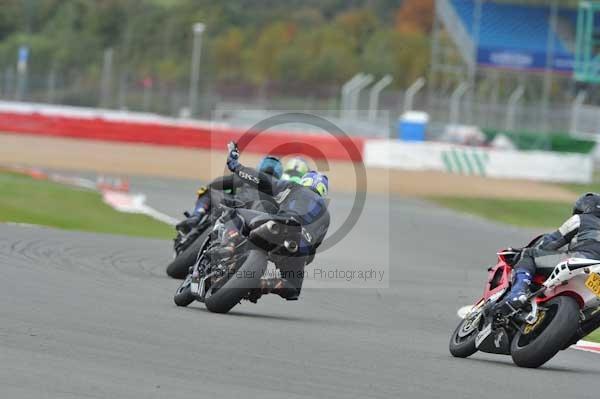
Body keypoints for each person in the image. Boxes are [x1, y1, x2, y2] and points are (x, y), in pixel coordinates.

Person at [224, 143, 330, 301]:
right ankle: (265, 284)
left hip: (279, 224)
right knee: (292, 288)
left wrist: (236, 167)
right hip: (298, 246)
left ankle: (228, 245)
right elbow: (312, 251)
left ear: (305, 181)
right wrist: (298, 261)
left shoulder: (293, 187)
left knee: (234, 212)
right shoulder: (326, 216)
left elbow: (262, 181)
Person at [504, 192, 600, 309]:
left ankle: (517, 293)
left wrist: (523, 252)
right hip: (596, 270)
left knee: (529, 254)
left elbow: (549, 243)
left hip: (580, 260)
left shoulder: (580, 219)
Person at [175, 155, 283, 234]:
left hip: (236, 205)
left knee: (208, 191)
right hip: (258, 220)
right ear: (279, 172)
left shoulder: (249, 174)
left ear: (261, 165)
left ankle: (196, 217)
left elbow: (216, 184)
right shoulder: (281, 187)